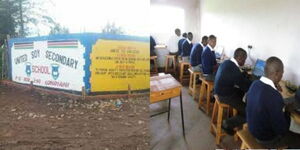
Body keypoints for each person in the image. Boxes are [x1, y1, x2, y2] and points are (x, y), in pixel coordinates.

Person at [246, 56, 300, 148]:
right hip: (265, 138)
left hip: (252, 129)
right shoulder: (274, 96)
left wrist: (274, 87)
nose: (282, 76)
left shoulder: (255, 84)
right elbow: (282, 130)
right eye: (282, 73)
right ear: (276, 74)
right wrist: (287, 111)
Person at [214, 48, 252, 134]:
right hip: (224, 95)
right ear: (239, 58)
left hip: (219, 91)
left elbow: (237, 78)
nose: (244, 62)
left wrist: (243, 75)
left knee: (241, 93)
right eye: (244, 60)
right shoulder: (234, 69)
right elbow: (245, 86)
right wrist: (257, 84)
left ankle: (237, 115)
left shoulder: (227, 62)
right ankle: (228, 123)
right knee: (250, 113)